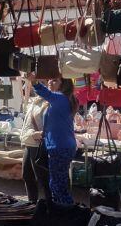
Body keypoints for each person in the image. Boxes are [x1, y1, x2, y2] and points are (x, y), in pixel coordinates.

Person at [31, 74, 78, 205]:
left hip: (60, 147)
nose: (50, 81)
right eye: (50, 79)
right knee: (59, 183)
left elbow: (43, 91)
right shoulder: (62, 100)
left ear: (63, 84)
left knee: (57, 185)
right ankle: (64, 210)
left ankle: (65, 211)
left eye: (55, 80)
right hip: (62, 146)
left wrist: (34, 81)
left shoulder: (60, 98)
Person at [19, 81, 50, 202]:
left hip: (37, 144)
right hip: (28, 142)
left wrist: (41, 133)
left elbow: (50, 124)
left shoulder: (47, 103)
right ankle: (32, 203)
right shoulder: (34, 101)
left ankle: (50, 206)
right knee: (27, 176)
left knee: (42, 178)